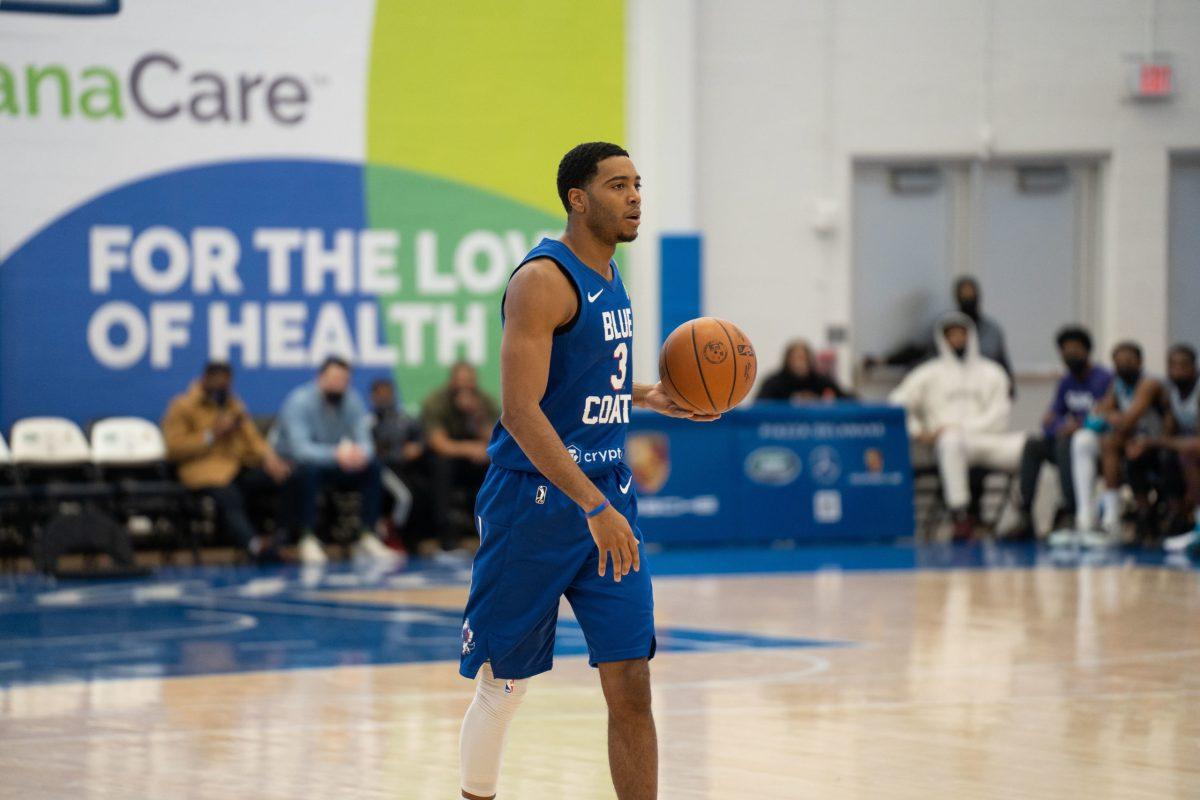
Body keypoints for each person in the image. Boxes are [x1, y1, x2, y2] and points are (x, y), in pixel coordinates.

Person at [456, 142, 716, 800]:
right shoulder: (542, 281)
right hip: (533, 507)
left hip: (607, 499)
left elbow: (578, 384)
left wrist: (647, 395)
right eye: (617, 185)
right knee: (504, 685)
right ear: (578, 198)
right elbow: (521, 410)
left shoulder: (610, 272)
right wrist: (592, 508)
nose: (634, 197)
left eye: (637, 184)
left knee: (631, 680)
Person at [888, 313, 1025, 541]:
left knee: (1029, 446)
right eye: (951, 335)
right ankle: (960, 515)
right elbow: (897, 402)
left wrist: (962, 427)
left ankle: (1024, 515)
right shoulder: (927, 373)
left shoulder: (992, 372)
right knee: (950, 442)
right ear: (942, 339)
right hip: (948, 442)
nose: (957, 339)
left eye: (961, 334)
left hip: (988, 440)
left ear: (970, 336)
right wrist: (918, 431)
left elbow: (1000, 416)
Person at [272, 356, 398, 566]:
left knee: (373, 468)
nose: (339, 385)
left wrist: (360, 455)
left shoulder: (352, 400)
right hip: (297, 465)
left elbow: (365, 441)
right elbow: (300, 450)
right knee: (308, 471)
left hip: (337, 463)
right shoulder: (299, 401)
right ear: (320, 377)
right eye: (334, 379)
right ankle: (307, 538)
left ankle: (367, 535)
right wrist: (336, 455)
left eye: (344, 380)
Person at [162, 361, 291, 562]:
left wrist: (270, 458)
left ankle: (282, 539)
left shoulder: (233, 404)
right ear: (206, 379)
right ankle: (254, 546)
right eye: (218, 383)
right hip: (202, 471)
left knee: (280, 478)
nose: (223, 388)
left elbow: (253, 439)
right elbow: (173, 448)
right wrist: (211, 435)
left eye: (226, 383)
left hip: (234, 467)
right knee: (229, 497)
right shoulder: (182, 405)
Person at [1060, 341, 1167, 547]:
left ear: (1140, 361)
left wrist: (1112, 416)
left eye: (1128, 360)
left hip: (1158, 443)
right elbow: (1094, 418)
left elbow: (1127, 420)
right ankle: (1095, 519)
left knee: (1111, 442)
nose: (1123, 365)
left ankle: (1115, 520)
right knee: (1087, 440)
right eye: (1118, 361)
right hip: (1132, 440)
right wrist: (1112, 416)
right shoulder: (1117, 384)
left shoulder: (1149, 383)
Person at [1011, 326, 1112, 539]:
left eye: (1075, 349)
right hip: (1066, 440)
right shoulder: (1066, 382)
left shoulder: (1104, 379)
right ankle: (1025, 513)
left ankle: (1072, 510)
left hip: (1096, 445)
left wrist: (1080, 424)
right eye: (1065, 350)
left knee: (1067, 441)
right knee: (1033, 445)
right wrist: (1060, 426)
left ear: (1087, 350)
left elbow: (1107, 414)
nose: (1070, 354)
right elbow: (1048, 421)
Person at [1123, 344, 1200, 552]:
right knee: (1151, 455)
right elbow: (1169, 433)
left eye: (1183, 366)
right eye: (1172, 366)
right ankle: (1154, 517)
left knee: (1187, 454)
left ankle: (1195, 523)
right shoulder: (1171, 392)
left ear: (1194, 367)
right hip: (1184, 447)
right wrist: (1145, 444)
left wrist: (1153, 441)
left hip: (1193, 449)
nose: (1177, 371)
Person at [868, 275, 1013, 385]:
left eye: (971, 294)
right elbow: (916, 349)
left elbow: (1003, 363)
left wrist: (1009, 386)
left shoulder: (993, 332)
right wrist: (884, 361)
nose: (959, 339)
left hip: (981, 387)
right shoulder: (943, 327)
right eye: (954, 335)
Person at [421, 361, 499, 553]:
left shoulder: (485, 402)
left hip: (475, 460)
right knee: (442, 467)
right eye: (460, 381)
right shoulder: (436, 402)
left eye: (469, 381)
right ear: (452, 381)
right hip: (446, 458)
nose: (464, 386)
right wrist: (469, 448)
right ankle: (445, 535)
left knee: (495, 466)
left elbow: (496, 439)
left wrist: (476, 415)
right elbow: (438, 443)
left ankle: (487, 530)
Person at [370, 377, 429, 554]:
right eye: (380, 395)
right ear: (373, 397)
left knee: (422, 490)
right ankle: (390, 535)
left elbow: (421, 438)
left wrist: (418, 446)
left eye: (388, 394)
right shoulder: (370, 422)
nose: (385, 398)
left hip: (407, 469)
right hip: (382, 469)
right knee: (403, 497)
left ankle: (415, 538)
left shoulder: (405, 419)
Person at [755, 339, 851, 403]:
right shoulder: (774, 382)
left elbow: (846, 398)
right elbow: (760, 405)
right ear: (787, 360)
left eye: (803, 358)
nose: (800, 363)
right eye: (795, 358)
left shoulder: (820, 380)